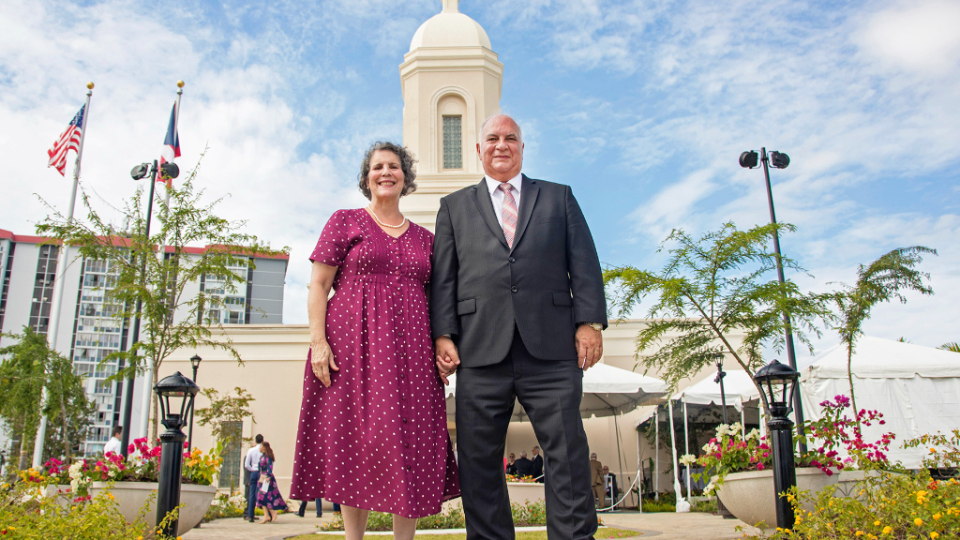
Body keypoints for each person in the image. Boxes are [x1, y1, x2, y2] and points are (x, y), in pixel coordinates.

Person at [432, 114, 607, 540]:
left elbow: (583, 262)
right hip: (479, 351)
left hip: (552, 351)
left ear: (523, 148)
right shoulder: (454, 206)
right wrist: (443, 334)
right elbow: (444, 278)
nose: (501, 145)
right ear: (479, 149)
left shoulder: (558, 197)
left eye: (511, 138)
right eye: (492, 138)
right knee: (478, 461)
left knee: (566, 455)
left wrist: (589, 322)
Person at [290, 141, 460, 540]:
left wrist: (442, 343)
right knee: (356, 441)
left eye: (394, 166)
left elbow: (439, 299)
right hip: (352, 350)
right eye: (377, 166)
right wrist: (318, 342)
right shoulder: (345, 221)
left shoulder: (426, 239)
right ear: (367, 178)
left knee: (412, 442)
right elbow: (318, 284)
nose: (386, 172)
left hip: (413, 355)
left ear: (405, 177)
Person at [256, 441, 288, 523]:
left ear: (264, 447)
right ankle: (267, 515)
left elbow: (270, 467)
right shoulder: (262, 456)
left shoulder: (267, 457)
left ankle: (272, 513)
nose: (259, 448)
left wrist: (268, 476)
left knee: (264, 496)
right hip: (262, 478)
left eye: (260, 446)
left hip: (267, 478)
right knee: (261, 497)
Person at [244, 434, 264, 522]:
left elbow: (246, 464)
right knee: (264, 492)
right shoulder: (264, 450)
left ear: (255, 441)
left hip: (254, 472)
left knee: (252, 494)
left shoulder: (251, 450)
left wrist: (252, 469)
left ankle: (250, 515)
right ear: (263, 440)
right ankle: (268, 514)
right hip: (262, 473)